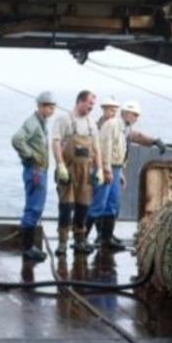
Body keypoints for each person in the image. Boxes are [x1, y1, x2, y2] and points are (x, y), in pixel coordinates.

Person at [52, 90, 104, 256]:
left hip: (86, 172)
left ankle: (80, 240)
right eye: (90, 104)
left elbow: (96, 149)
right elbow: (56, 143)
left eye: (93, 105)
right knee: (66, 207)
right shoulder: (64, 120)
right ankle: (62, 242)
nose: (91, 107)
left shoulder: (91, 124)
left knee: (83, 207)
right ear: (80, 101)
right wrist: (60, 165)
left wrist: (100, 169)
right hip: (68, 171)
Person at [11, 91, 56, 262]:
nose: (52, 111)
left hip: (39, 170)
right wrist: (30, 156)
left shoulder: (41, 123)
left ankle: (28, 246)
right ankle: (27, 248)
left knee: (36, 207)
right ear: (41, 106)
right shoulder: (33, 123)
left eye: (53, 108)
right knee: (34, 208)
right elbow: (16, 139)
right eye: (49, 107)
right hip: (35, 170)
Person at [86, 96, 125, 250]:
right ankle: (81, 238)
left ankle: (106, 238)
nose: (113, 111)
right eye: (110, 108)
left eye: (115, 109)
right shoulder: (105, 125)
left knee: (111, 204)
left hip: (115, 167)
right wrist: (106, 169)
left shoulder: (116, 125)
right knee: (98, 204)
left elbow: (119, 148)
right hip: (103, 167)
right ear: (103, 109)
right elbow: (105, 149)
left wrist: (119, 171)